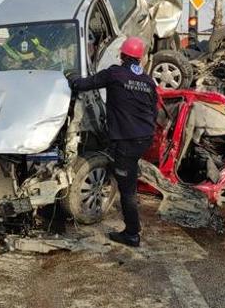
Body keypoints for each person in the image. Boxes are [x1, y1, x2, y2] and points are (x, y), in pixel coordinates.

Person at [67, 36, 157, 248]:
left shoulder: (115, 73)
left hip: (127, 141)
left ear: (122, 55)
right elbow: (154, 110)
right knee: (127, 172)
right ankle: (123, 175)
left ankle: (132, 234)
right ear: (140, 58)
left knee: (128, 191)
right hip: (144, 138)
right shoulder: (148, 81)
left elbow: (84, 85)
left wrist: (70, 78)